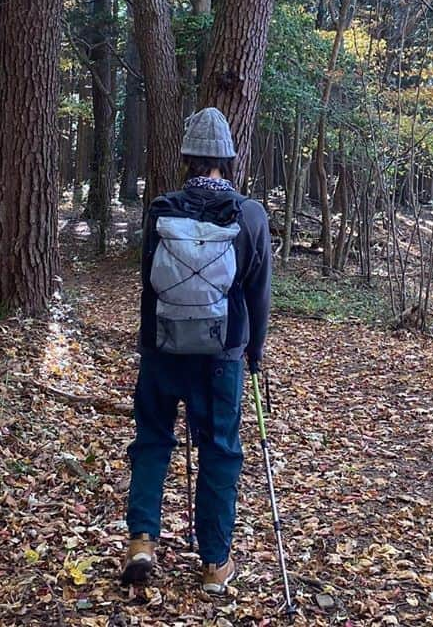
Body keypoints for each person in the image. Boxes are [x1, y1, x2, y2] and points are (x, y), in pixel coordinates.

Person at [122, 107, 272, 595]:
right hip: (221, 356)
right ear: (227, 159)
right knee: (220, 452)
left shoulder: (162, 209)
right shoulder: (249, 215)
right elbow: (258, 293)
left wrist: (150, 342)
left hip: (163, 349)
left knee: (152, 442)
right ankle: (213, 563)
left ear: (187, 156)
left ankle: (143, 540)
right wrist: (255, 352)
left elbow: (148, 283)